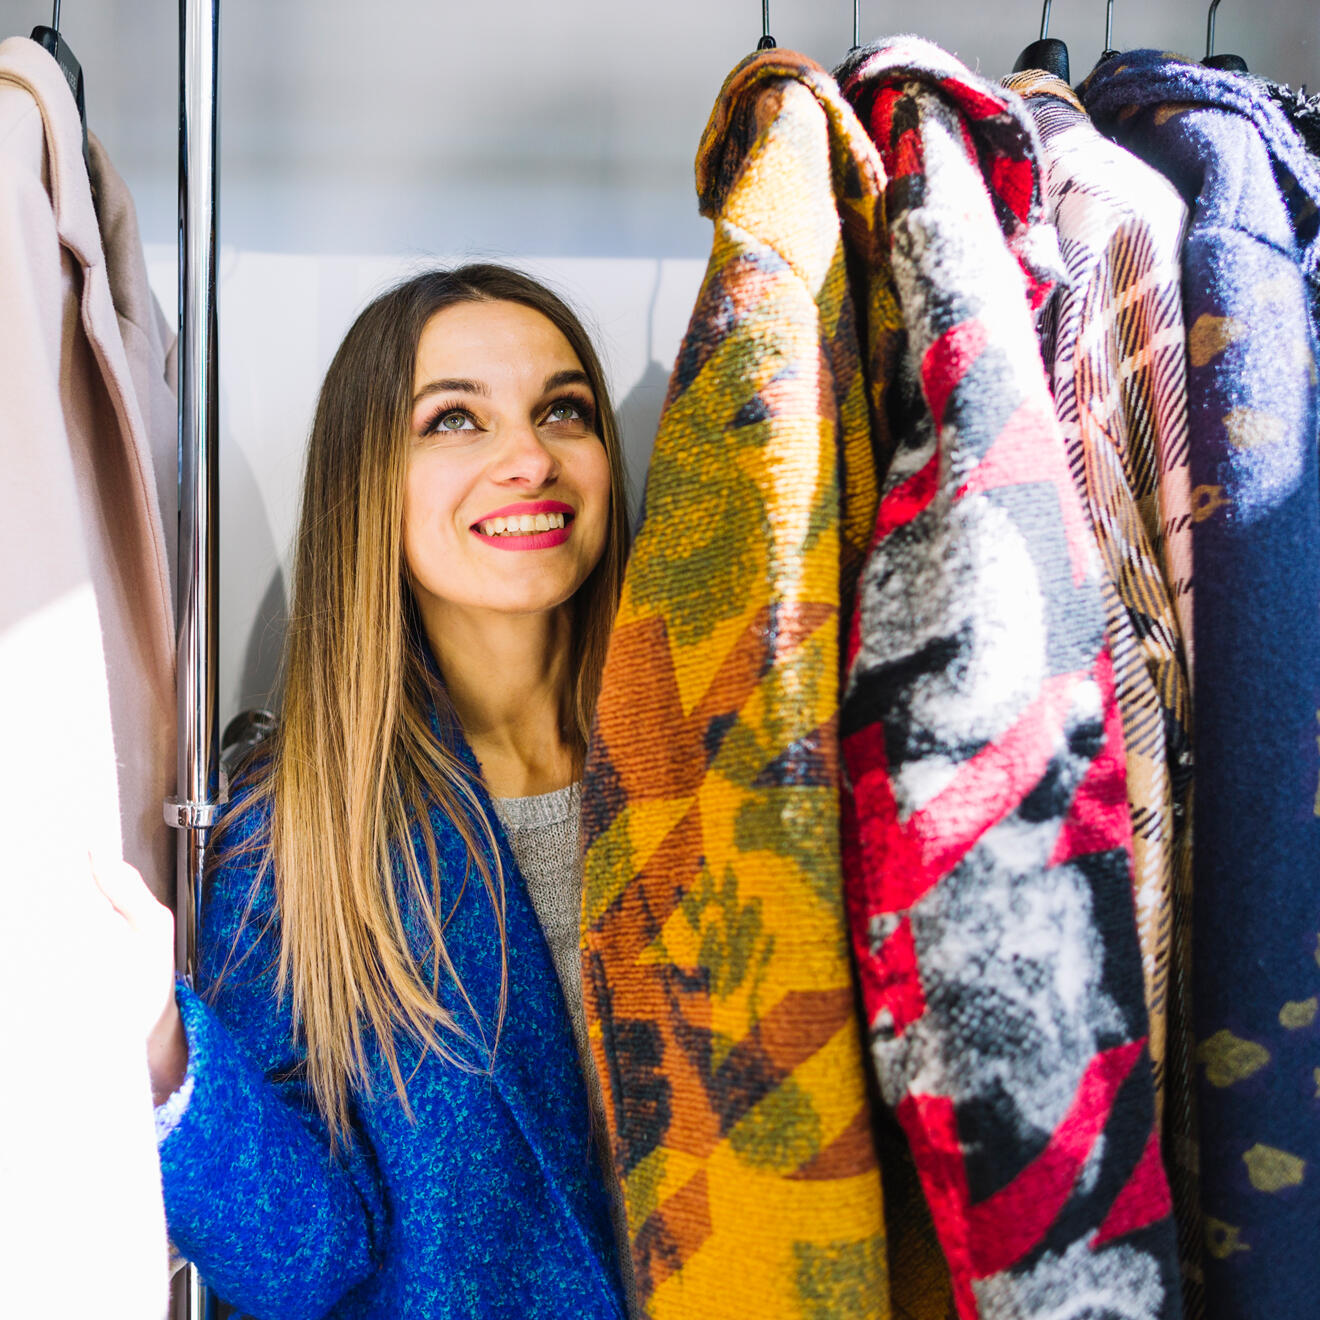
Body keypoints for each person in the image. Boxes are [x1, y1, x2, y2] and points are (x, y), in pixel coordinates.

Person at [92, 264, 633, 1319]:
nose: (530, 457)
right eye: (455, 420)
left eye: (563, 410)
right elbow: (307, 1261)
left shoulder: (710, 775)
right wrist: (162, 1046)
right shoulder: (296, 829)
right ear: (368, 480)